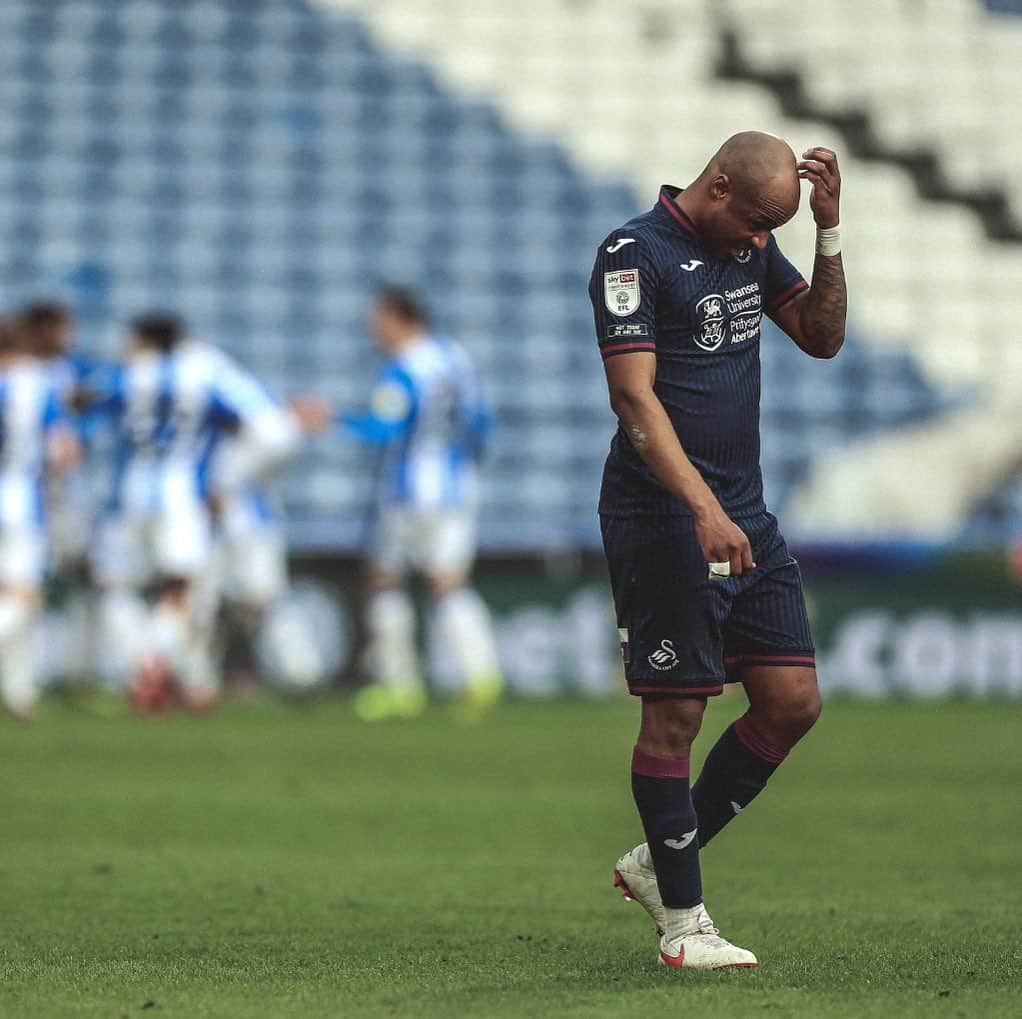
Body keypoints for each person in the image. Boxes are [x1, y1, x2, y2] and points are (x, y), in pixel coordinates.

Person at [589, 133, 846, 969]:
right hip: (667, 515)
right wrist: (699, 506)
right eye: (755, 223)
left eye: (774, 228)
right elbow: (634, 398)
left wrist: (827, 233)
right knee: (677, 714)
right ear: (720, 183)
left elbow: (820, 334)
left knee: (792, 701)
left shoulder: (756, 242)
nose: (757, 241)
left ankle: (657, 863)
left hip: (744, 512)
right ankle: (684, 923)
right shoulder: (636, 253)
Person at [86, 313, 303, 711]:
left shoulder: (126, 374)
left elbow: (81, 400)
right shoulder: (206, 371)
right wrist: (230, 478)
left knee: (115, 589)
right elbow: (276, 429)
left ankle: (166, 672)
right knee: (183, 590)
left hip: (126, 498)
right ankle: (158, 662)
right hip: (186, 499)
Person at [344, 285, 502, 721]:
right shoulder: (455, 360)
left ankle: (400, 686)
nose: (373, 329)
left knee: (384, 581)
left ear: (399, 318)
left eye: (379, 320)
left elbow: (381, 428)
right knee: (449, 583)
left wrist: (335, 419)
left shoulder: (402, 368)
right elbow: (481, 423)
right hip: (456, 489)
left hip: (408, 492)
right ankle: (481, 678)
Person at [0, 317, 79, 718]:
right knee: (23, 598)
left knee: (13, 599)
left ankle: (19, 695)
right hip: (19, 503)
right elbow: (65, 451)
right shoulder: (37, 384)